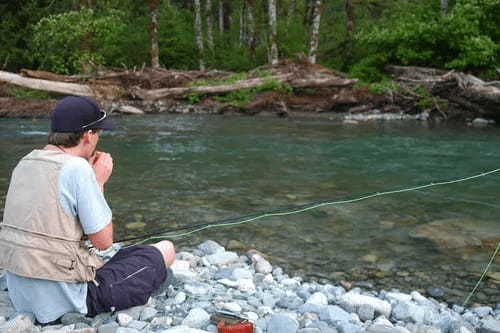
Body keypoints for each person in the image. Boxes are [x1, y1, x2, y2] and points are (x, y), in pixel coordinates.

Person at [0, 96, 175, 324]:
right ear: (88, 135)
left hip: (22, 295)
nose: (98, 139)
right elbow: (103, 241)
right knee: (165, 250)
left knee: (129, 254)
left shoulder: (26, 162)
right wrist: (98, 182)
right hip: (68, 302)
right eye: (98, 133)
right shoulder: (77, 168)